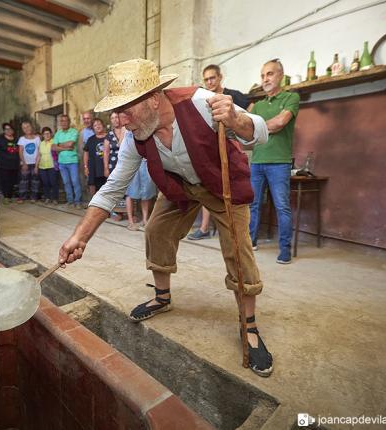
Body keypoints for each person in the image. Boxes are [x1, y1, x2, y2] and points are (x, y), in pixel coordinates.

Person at [58, 58, 273, 377]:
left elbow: (260, 132)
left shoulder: (201, 102)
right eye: (116, 112)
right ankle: (162, 297)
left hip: (220, 186)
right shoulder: (135, 136)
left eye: (125, 110)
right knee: (155, 229)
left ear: (153, 99)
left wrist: (237, 121)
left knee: (238, 248)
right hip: (180, 187)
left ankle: (250, 327)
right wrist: (80, 236)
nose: (120, 120)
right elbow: (113, 187)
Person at [188, 64, 252, 240]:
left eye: (212, 78)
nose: (209, 82)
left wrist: (238, 130)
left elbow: (251, 112)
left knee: (235, 188)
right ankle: (204, 227)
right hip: (210, 150)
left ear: (220, 77)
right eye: (206, 79)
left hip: (232, 149)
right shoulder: (201, 98)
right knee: (207, 187)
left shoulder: (234, 95)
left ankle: (235, 229)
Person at [249, 59, 300, 264]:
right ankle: (250, 242)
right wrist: (254, 127)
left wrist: (256, 127)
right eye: (262, 75)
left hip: (279, 162)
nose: (265, 79)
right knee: (252, 205)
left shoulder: (291, 98)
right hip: (257, 161)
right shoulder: (258, 105)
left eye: (269, 74)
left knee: (282, 206)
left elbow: (281, 122)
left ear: (280, 75)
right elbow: (245, 128)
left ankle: (285, 249)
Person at [53, 114, 81, 207]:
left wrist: (59, 145)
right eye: (62, 121)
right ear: (60, 123)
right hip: (62, 162)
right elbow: (53, 147)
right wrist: (65, 147)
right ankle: (70, 201)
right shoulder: (58, 133)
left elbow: (71, 144)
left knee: (75, 181)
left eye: (65, 121)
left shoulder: (74, 131)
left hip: (73, 161)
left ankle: (77, 201)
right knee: (66, 182)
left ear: (69, 122)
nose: (64, 122)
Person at [125, 152, 157, 231]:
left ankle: (145, 220)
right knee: (129, 193)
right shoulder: (127, 139)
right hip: (132, 163)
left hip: (146, 163)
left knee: (146, 192)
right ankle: (130, 221)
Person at [0, 122, 19, 204]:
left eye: (10, 129)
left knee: (12, 181)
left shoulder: (16, 139)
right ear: (4, 130)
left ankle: (10, 196)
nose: (8, 131)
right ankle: (6, 197)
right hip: (4, 164)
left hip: (14, 164)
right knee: (5, 180)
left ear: (13, 130)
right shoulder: (0, 139)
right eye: (6, 129)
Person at [83, 118, 109, 193]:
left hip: (107, 168)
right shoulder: (90, 140)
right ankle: (94, 204)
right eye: (95, 125)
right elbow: (86, 153)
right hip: (94, 169)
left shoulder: (109, 137)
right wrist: (85, 167)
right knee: (93, 187)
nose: (97, 126)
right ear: (93, 128)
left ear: (103, 125)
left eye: (99, 124)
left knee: (108, 188)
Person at [17, 121, 41, 202]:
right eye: (24, 127)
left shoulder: (37, 138)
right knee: (23, 181)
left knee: (35, 181)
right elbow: (20, 151)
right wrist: (24, 163)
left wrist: (36, 166)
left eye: (28, 126)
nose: (27, 129)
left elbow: (39, 152)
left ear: (31, 127)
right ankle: (22, 197)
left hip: (35, 163)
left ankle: (33, 197)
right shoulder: (22, 139)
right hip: (25, 164)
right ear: (22, 130)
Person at [37, 127, 59, 204]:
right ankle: (47, 197)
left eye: (48, 133)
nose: (47, 135)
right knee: (45, 183)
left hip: (52, 166)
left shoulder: (54, 142)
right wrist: (36, 167)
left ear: (51, 134)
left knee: (53, 183)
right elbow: (39, 155)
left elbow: (58, 153)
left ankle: (55, 198)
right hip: (42, 167)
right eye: (45, 133)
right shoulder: (41, 143)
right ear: (42, 135)